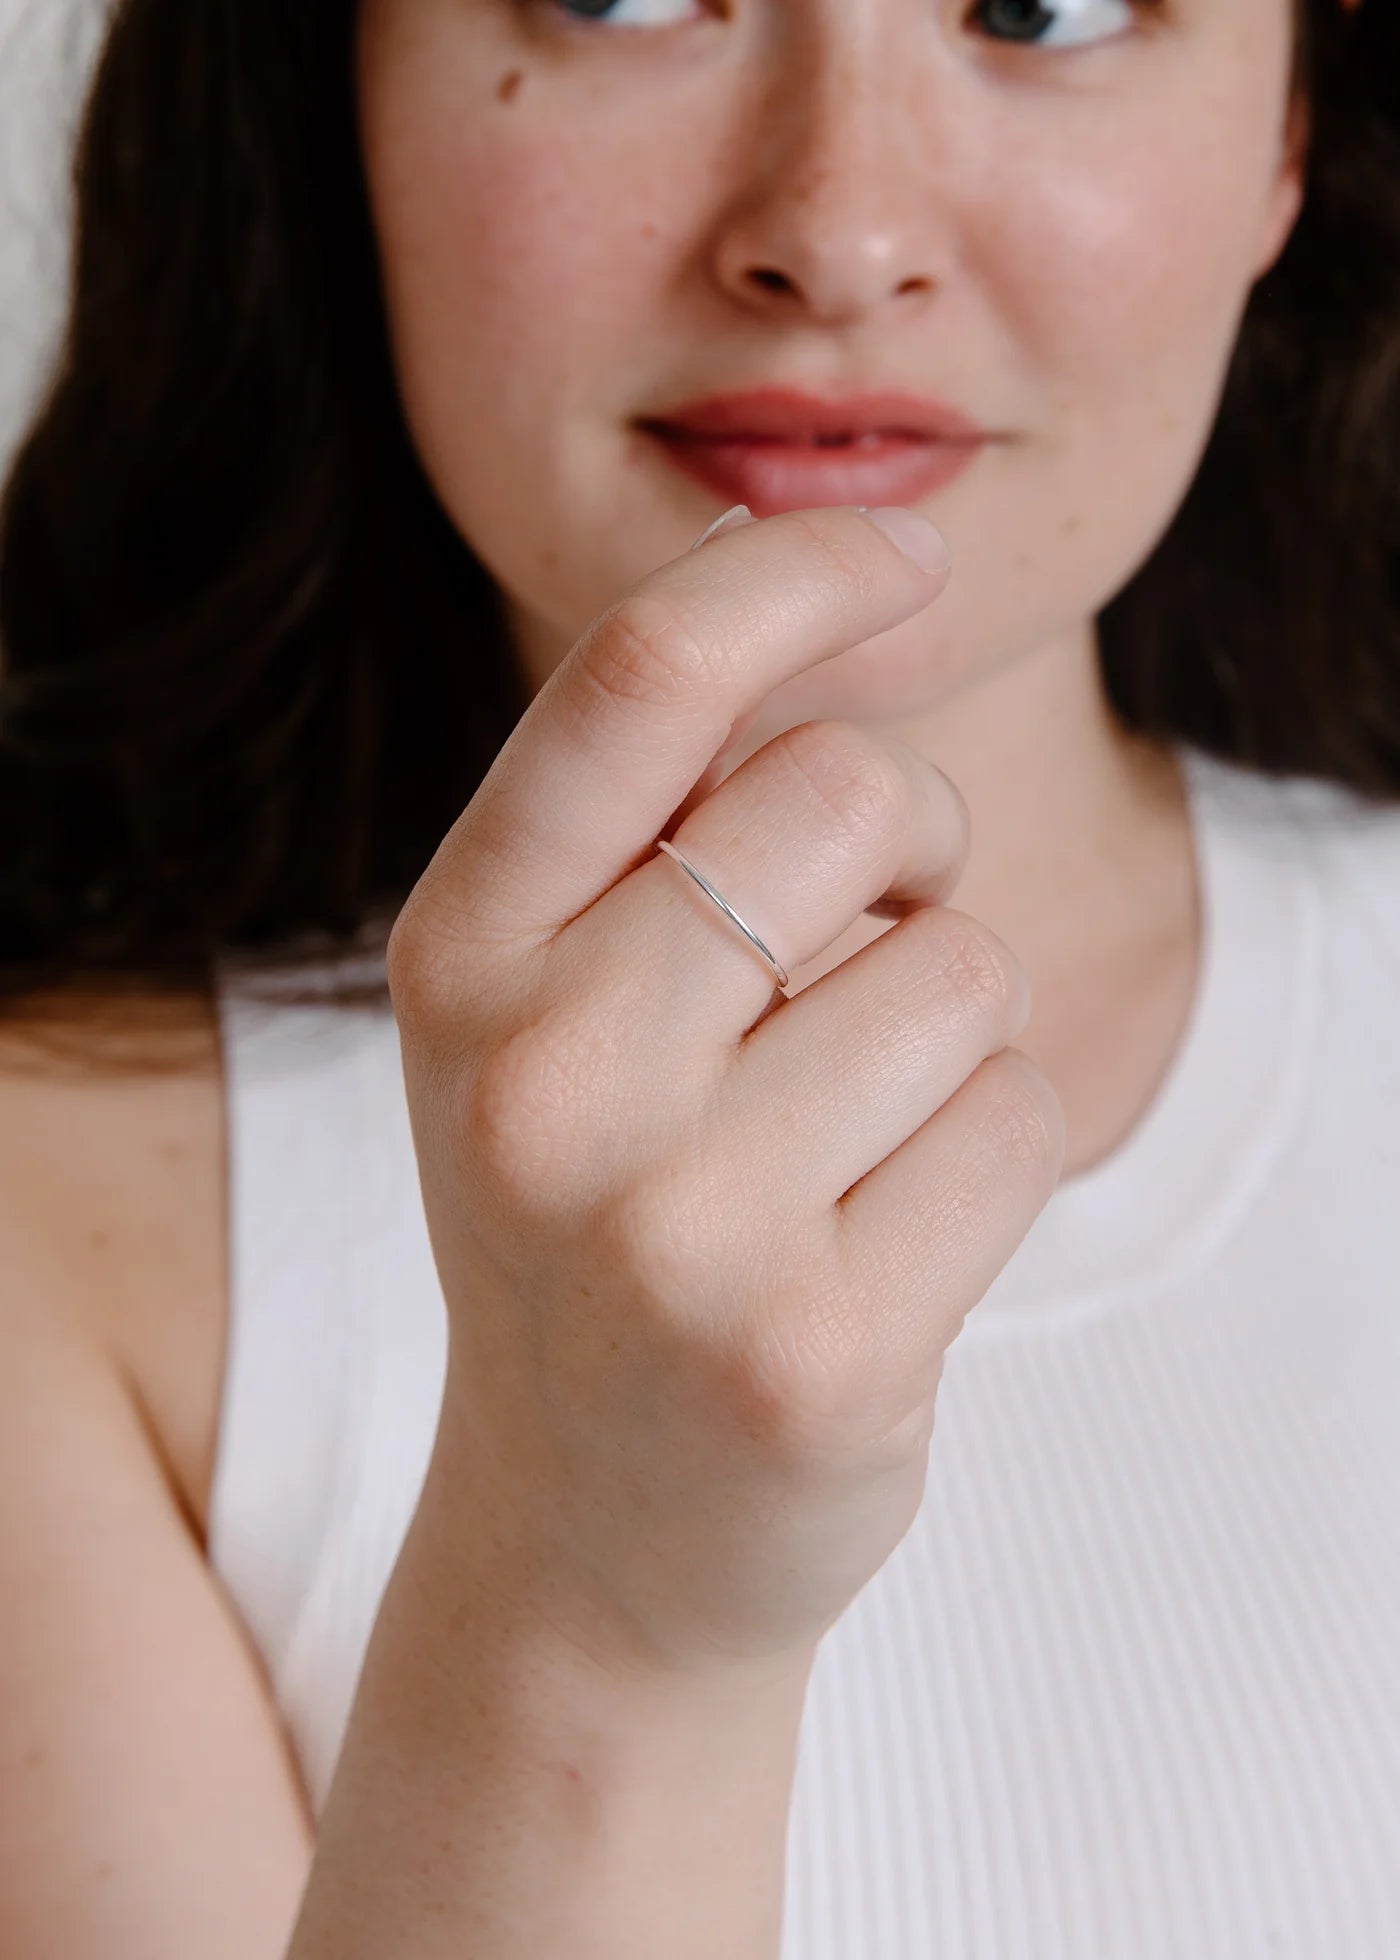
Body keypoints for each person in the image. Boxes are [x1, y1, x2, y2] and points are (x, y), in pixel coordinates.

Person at [0, 0, 1397, 1951]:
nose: (834, 229)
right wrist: (595, 1609)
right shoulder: (43, 1231)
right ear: (330, 91)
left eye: (1045, 7)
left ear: (1289, 137)